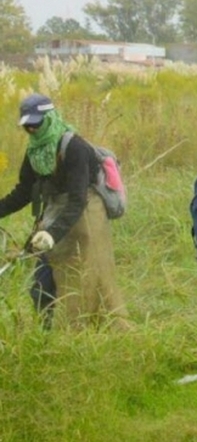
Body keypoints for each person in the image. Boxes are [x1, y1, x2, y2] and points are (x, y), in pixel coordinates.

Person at [0, 93, 129, 330]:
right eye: (27, 125)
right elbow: (23, 191)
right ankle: (45, 334)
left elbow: (78, 199)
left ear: (49, 117)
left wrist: (52, 233)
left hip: (86, 216)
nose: (31, 129)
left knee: (87, 281)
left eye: (36, 123)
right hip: (54, 214)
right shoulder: (35, 152)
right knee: (40, 287)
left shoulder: (74, 147)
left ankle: (93, 333)